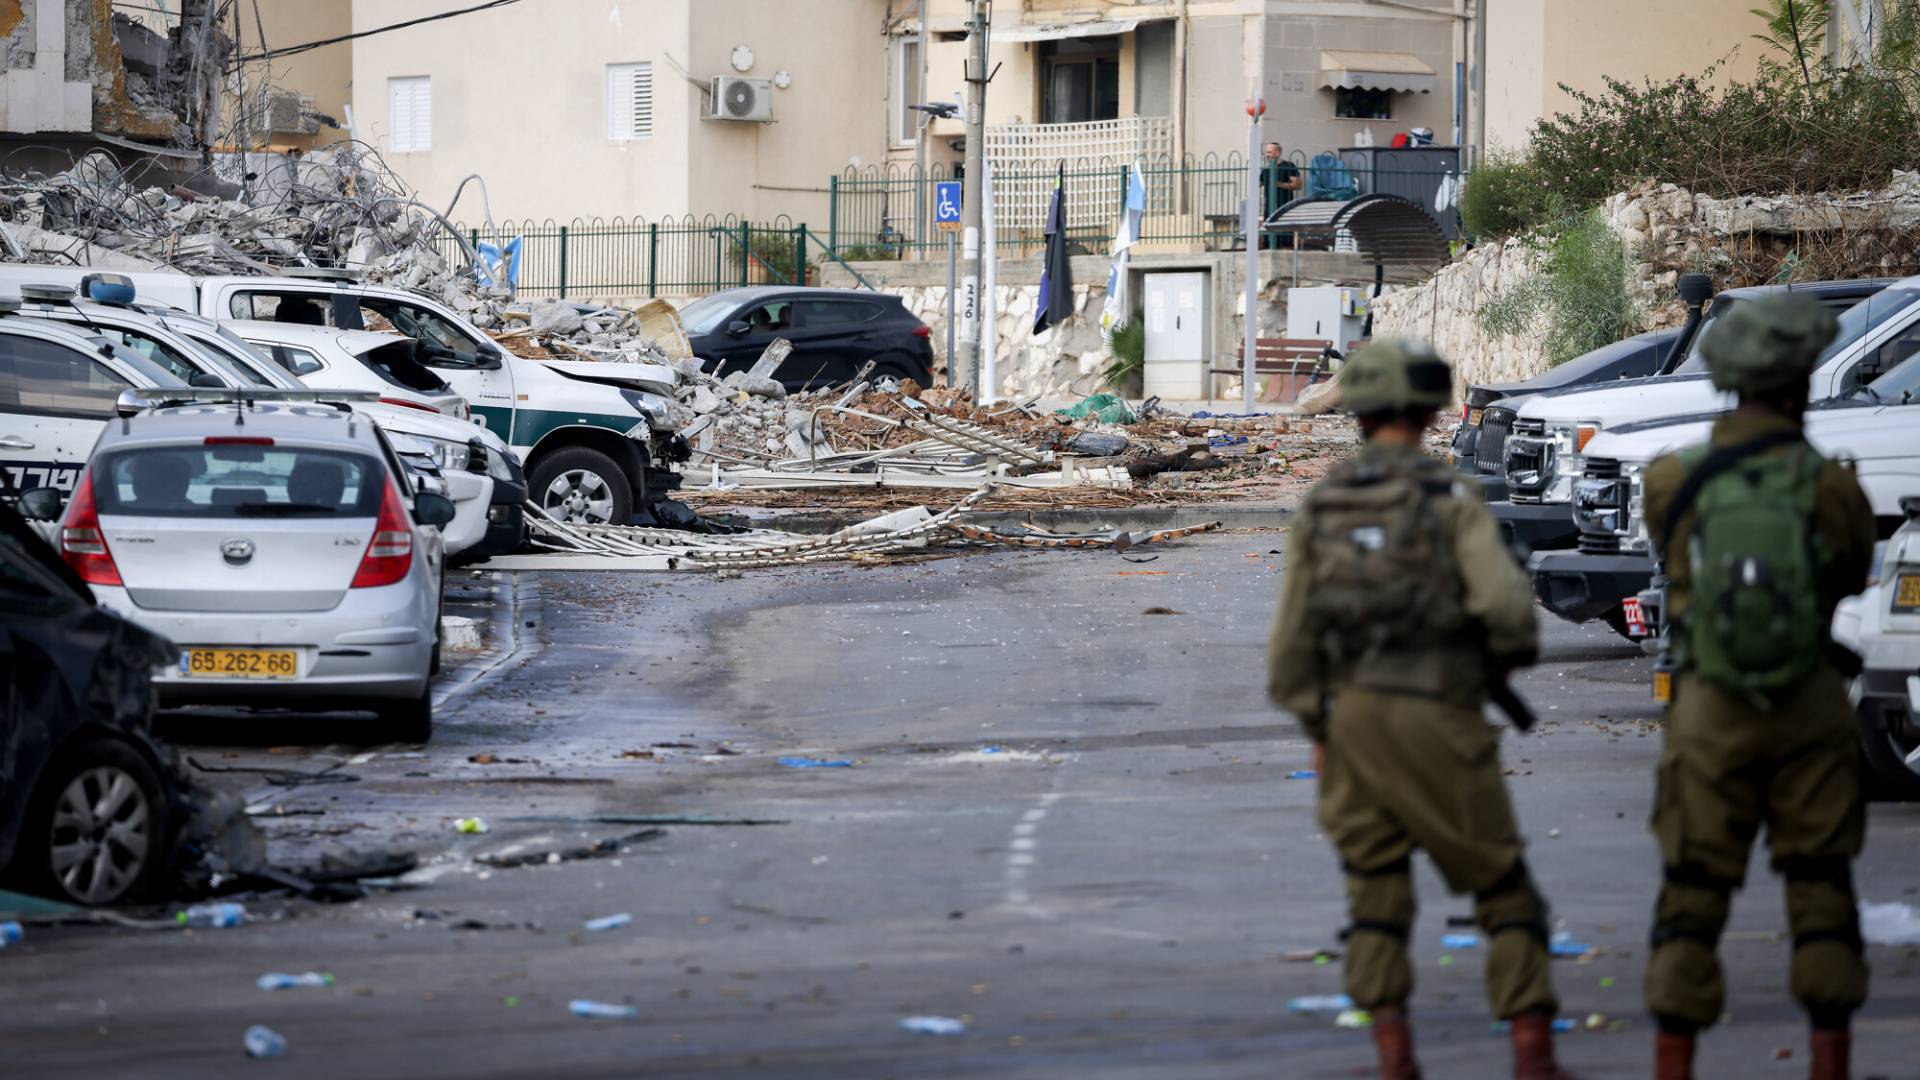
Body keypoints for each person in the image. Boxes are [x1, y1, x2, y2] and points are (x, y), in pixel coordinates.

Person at [1267, 340, 1575, 1080]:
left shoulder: (1324, 506)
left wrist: (1320, 725)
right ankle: (1533, 1056)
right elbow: (1508, 611)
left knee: (1375, 899)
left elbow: (1290, 650)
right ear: (1433, 412)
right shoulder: (1451, 500)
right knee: (1502, 888)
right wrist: (1486, 666)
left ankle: (1394, 1059)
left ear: (1358, 413)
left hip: (1353, 724)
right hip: (1441, 714)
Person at [1640, 295, 1875, 1080]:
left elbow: (1672, 565)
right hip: (1809, 704)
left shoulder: (1672, 477)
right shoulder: (1832, 485)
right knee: (1821, 890)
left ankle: (1675, 1062)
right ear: (1803, 380)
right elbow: (1846, 577)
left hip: (1708, 708)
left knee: (1692, 894)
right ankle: (1828, 1061)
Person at [1260, 142, 1302, 249]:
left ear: (1277, 153)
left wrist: (1279, 184)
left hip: (1284, 208)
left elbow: (1298, 184)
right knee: (1269, 240)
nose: (1267, 154)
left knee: (1285, 239)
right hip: (1269, 209)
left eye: (1269, 152)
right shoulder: (1266, 169)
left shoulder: (1288, 166)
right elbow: (1258, 184)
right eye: (1266, 152)